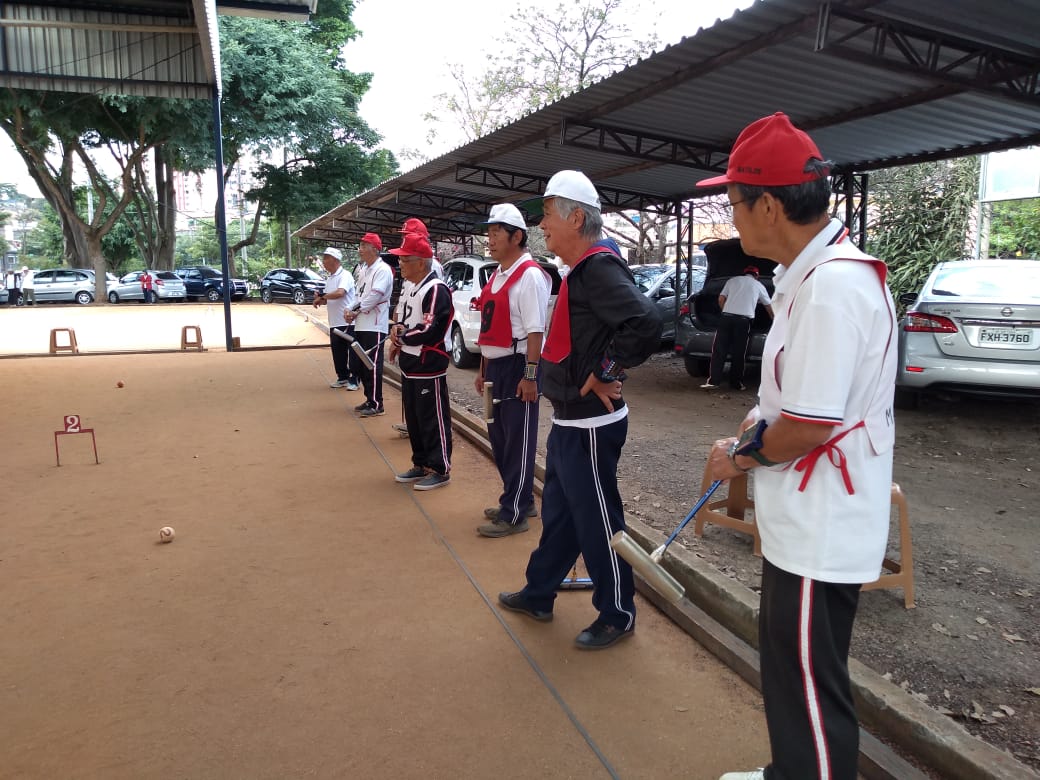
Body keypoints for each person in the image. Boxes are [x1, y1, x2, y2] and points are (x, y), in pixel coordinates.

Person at [699, 112, 897, 780]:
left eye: (733, 203)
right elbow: (791, 403)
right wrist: (749, 436)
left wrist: (740, 456)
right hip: (807, 516)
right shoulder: (812, 277)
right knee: (791, 664)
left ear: (770, 206)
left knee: (808, 680)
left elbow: (810, 424)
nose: (732, 219)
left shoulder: (833, 287)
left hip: (822, 526)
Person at [498, 170, 662, 650]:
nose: (541, 224)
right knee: (563, 516)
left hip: (591, 424)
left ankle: (618, 613)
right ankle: (540, 592)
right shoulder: (582, 268)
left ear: (575, 216)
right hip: (573, 421)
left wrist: (609, 369)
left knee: (598, 521)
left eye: (547, 213)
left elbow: (646, 323)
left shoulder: (597, 267)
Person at [471, 203, 551, 538]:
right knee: (500, 438)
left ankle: (514, 512)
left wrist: (530, 376)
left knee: (518, 440)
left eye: (496, 232)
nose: (489, 238)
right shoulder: (497, 274)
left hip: (519, 367)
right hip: (494, 367)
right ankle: (516, 499)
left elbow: (535, 331)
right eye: (488, 232)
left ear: (517, 236)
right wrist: (481, 368)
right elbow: (490, 330)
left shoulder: (529, 275)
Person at [386, 232, 454, 491]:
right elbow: (405, 321)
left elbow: (431, 330)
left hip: (428, 364)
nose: (400, 264)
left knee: (432, 418)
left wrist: (402, 338)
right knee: (414, 418)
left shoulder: (435, 289)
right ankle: (421, 462)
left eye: (405, 259)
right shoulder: (412, 287)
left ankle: (440, 468)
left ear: (422, 263)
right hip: (411, 364)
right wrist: (397, 332)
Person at [702, 265, 773, 390]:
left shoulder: (732, 281)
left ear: (744, 273)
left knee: (719, 350)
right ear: (757, 276)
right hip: (743, 321)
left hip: (726, 319)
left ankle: (714, 382)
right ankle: (735, 383)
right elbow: (768, 305)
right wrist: (774, 320)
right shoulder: (758, 286)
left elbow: (720, 299)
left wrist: (726, 311)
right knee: (739, 352)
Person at [348, 232, 393, 417]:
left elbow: (375, 295)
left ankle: (376, 403)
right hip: (362, 323)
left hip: (374, 324)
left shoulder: (382, 270)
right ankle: (369, 398)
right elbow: (359, 295)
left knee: (372, 364)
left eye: (363, 246)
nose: (360, 250)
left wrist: (355, 310)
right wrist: (351, 309)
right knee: (361, 363)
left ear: (374, 249)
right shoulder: (364, 269)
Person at [312, 247, 357, 389]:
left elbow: (340, 293)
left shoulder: (345, 275)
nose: (324, 261)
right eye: (324, 258)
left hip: (348, 321)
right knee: (338, 352)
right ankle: (342, 377)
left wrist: (323, 296)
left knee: (353, 352)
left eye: (326, 258)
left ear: (335, 260)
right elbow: (329, 298)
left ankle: (354, 380)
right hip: (334, 322)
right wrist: (320, 300)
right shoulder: (330, 278)